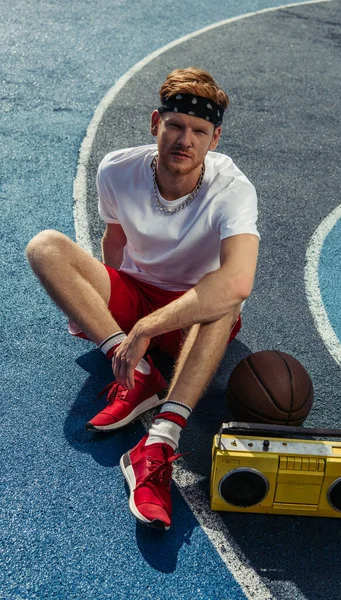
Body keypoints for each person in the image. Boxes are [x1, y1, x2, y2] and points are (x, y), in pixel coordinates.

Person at [26, 67, 260, 531]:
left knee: (225, 299)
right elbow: (114, 245)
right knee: (44, 246)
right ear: (156, 123)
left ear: (214, 141)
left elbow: (237, 281)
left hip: (194, 315)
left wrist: (147, 328)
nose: (184, 140)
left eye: (198, 131)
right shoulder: (116, 169)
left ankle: (160, 441)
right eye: (175, 125)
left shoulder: (233, 189)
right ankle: (137, 373)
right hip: (137, 297)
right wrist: (98, 312)